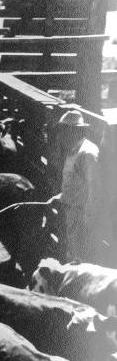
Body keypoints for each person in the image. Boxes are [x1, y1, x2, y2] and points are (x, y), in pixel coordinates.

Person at [51, 110, 107, 264]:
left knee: (79, 257)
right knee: (72, 253)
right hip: (73, 211)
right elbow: (74, 183)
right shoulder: (72, 151)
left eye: (63, 130)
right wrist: (61, 197)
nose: (59, 136)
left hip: (82, 216)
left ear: (73, 131)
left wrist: (88, 221)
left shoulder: (87, 153)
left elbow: (95, 190)